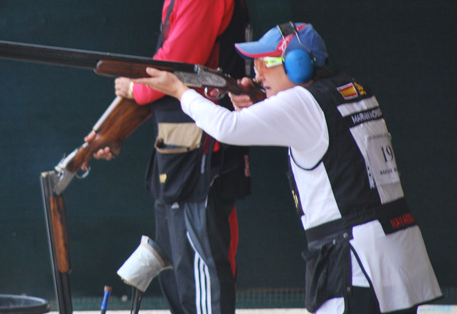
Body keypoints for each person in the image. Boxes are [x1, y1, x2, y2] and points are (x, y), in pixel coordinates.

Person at [131, 22, 443, 314]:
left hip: (355, 262)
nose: (257, 75)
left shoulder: (304, 103)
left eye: (266, 63)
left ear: (298, 64)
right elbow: (314, 128)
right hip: (396, 253)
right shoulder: (352, 89)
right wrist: (260, 104)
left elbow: (227, 127)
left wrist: (180, 92)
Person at [89, 0, 252, 314]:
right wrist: (116, 131)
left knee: (200, 267)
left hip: (204, 145)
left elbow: (172, 69)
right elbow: (169, 78)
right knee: (180, 267)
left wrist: (133, 88)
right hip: (183, 141)